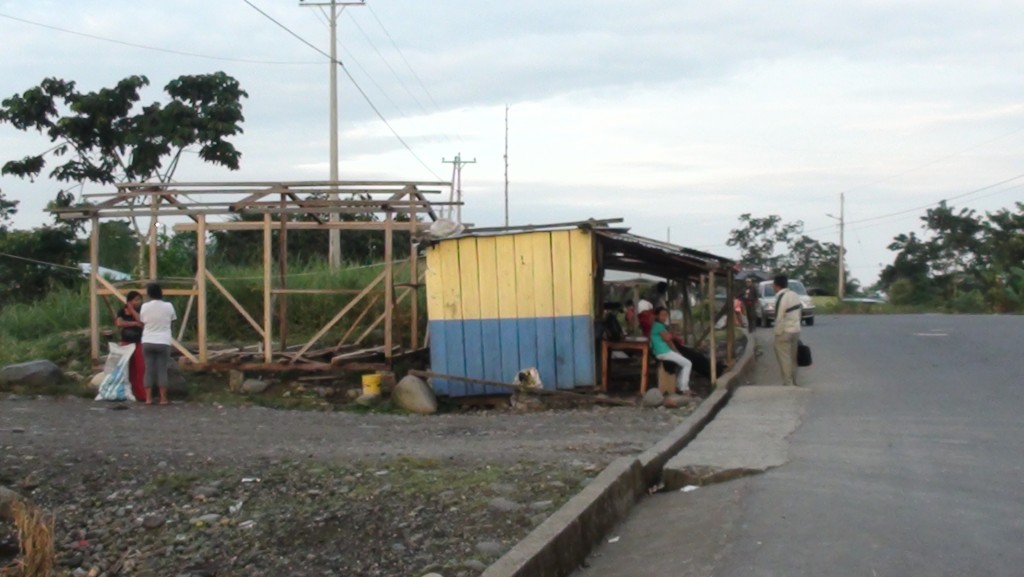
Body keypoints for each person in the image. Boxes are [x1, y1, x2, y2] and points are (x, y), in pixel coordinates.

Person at [140, 282, 177, 405]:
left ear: (149, 294)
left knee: (148, 369)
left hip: (147, 340)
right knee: (162, 370)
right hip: (163, 341)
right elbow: (172, 320)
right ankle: (163, 398)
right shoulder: (169, 306)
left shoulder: (145, 306)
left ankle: (148, 398)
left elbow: (142, 320)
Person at [649, 307, 695, 396]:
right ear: (657, 316)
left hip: (661, 352)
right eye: (662, 315)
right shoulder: (659, 326)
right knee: (688, 363)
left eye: (666, 315)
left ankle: (679, 385)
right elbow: (668, 339)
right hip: (663, 352)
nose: (664, 317)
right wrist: (676, 350)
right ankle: (684, 388)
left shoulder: (656, 325)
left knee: (683, 363)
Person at [115, 290, 147, 402]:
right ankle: (129, 391)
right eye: (136, 300)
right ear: (129, 301)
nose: (139, 302)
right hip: (126, 342)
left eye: (139, 300)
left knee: (140, 367)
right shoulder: (122, 311)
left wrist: (132, 310)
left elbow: (141, 321)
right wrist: (133, 323)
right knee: (127, 368)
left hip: (138, 342)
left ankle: (142, 394)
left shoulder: (141, 310)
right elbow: (119, 323)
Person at [772, 274, 802, 386]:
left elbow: (779, 317)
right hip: (796, 330)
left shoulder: (781, 297)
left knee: (784, 359)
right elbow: (799, 312)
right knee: (793, 358)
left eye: (773, 285)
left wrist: (777, 333)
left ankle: (788, 383)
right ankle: (794, 381)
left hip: (785, 331)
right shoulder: (795, 295)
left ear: (776, 285)